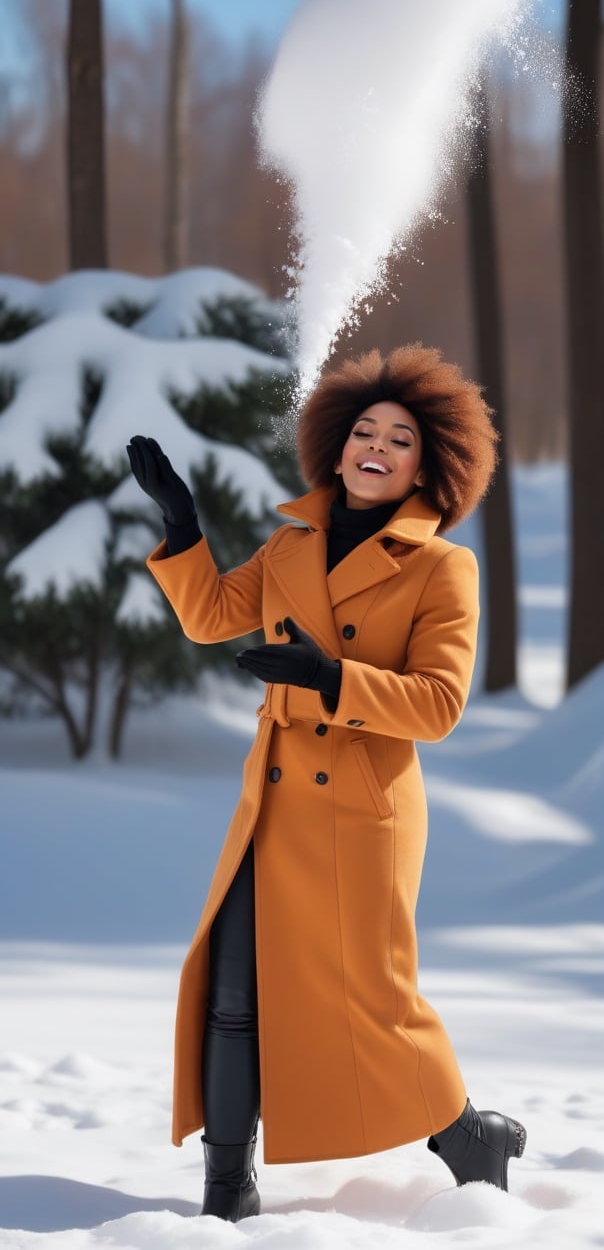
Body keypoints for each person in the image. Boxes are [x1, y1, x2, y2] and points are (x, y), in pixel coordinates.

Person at [127, 342, 526, 1222]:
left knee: (373, 998)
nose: (375, 446)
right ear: (336, 446)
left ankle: (467, 1135)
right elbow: (210, 616)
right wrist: (183, 526)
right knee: (234, 994)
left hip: (361, 813)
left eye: (401, 438)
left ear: (431, 463)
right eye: (363, 431)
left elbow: (438, 704)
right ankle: (227, 1188)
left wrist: (328, 679)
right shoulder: (290, 540)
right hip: (272, 805)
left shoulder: (440, 566)